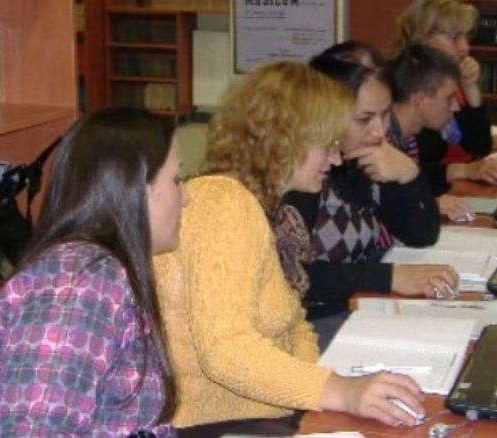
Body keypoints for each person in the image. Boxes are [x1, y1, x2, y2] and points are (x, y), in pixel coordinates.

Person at [154, 61, 427, 437]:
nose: (336, 159)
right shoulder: (221, 203)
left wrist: (322, 387)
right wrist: (338, 392)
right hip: (213, 425)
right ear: (285, 141)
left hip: (261, 410)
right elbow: (225, 350)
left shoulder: (274, 214)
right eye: (327, 146)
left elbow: (295, 322)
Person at [0, 108, 189, 437]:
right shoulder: (77, 290)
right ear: (137, 188)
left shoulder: (101, 272)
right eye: (177, 179)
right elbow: (32, 432)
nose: (186, 197)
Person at [283, 43, 458, 341]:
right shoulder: (303, 173)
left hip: (358, 305)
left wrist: (409, 176)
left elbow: (421, 235)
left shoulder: (362, 158)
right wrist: (390, 277)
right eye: (364, 119)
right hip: (310, 321)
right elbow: (292, 274)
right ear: (325, 113)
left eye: (385, 114)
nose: (379, 131)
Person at [392, 0, 497, 219]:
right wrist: (463, 170)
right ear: (422, 37)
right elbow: (401, 172)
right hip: (422, 204)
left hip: (434, 198)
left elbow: (479, 145)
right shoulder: (401, 87)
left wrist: (470, 88)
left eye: (466, 36)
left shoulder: (446, 81)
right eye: (454, 37)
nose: (465, 47)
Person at [386, 44, 478, 224]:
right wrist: (425, 205)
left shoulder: (408, 137)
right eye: (449, 98)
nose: (455, 107)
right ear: (420, 100)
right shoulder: (380, 140)